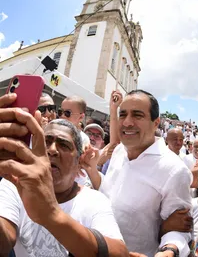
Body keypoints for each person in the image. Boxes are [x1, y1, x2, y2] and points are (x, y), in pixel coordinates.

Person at [0, 93, 128, 257]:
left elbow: (120, 253)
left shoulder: (95, 201)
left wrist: (51, 215)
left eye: (64, 145)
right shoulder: (13, 185)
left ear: (78, 160)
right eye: (46, 141)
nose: (52, 150)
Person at [98, 90, 192, 256]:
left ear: (156, 123)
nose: (127, 123)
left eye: (137, 115)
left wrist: (169, 251)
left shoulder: (174, 170)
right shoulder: (119, 151)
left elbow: (180, 228)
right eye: (123, 114)